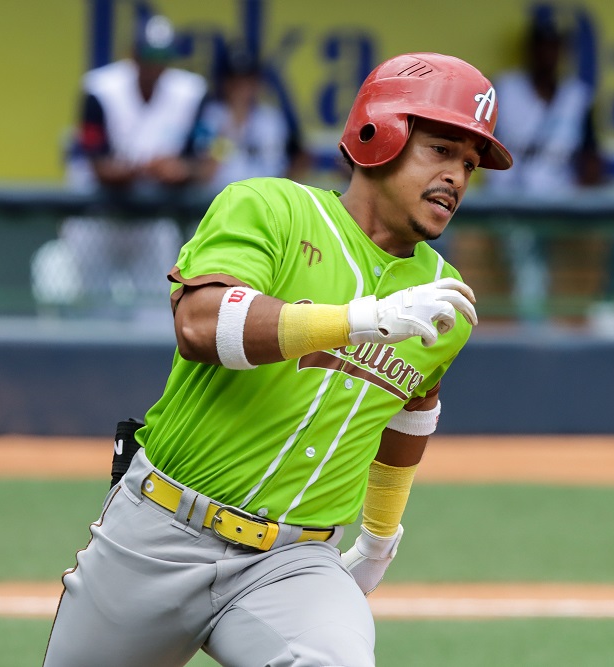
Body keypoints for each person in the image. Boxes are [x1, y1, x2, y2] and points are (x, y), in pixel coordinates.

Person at [42, 52, 511, 667]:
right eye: (441, 150)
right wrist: (359, 320)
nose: (457, 175)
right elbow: (199, 323)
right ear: (379, 136)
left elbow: (412, 408)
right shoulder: (270, 208)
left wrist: (377, 542)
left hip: (294, 565)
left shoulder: (441, 296)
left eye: (470, 164)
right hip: (160, 531)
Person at [56, 14, 214, 326]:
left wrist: (179, 170)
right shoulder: (99, 89)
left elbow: (203, 163)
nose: (155, 66)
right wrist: (151, 168)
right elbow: (98, 166)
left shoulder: (191, 92)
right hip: (97, 219)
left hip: (152, 220)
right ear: (133, 55)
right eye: (149, 56)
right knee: (92, 315)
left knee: (157, 317)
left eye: (162, 57)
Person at [488, 12, 614, 338]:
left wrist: (586, 185)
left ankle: (607, 304)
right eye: (542, 46)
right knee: (525, 249)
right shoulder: (504, 90)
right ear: (530, 49)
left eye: (554, 46)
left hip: (563, 200)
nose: (548, 53)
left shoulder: (576, 97)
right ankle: (535, 329)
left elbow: (593, 161)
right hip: (514, 202)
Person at [202, 45, 311, 194]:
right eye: (235, 81)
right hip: (218, 200)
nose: (242, 88)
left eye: (248, 81)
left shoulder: (272, 119)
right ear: (224, 82)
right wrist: (231, 128)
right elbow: (207, 171)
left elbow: (301, 158)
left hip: (266, 202)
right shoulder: (211, 115)